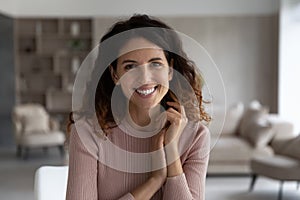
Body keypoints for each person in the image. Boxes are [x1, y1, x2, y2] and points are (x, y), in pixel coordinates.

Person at [66, 14, 211, 200]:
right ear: (115, 75)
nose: (144, 78)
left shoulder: (196, 137)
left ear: (170, 70)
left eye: (156, 64)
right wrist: (155, 180)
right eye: (130, 67)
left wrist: (171, 150)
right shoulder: (88, 133)